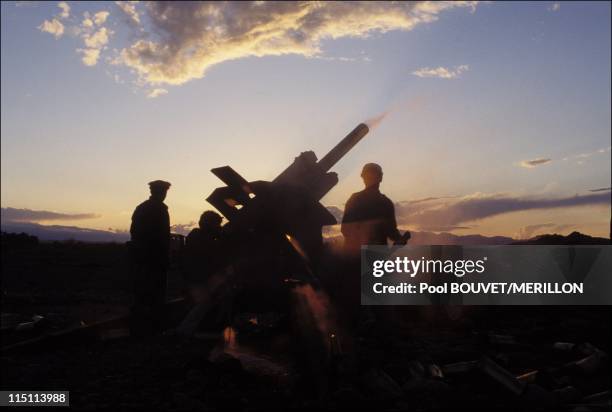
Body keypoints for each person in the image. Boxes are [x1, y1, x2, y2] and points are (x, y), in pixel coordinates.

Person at [129, 179, 171, 335]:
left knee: (141, 291)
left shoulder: (141, 208)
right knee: (155, 292)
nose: (164, 194)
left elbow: (134, 232)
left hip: (142, 257)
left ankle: (138, 325)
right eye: (163, 191)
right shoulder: (159, 209)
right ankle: (153, 327)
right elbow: (161, 237)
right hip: (154, 257)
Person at [341, 163, 408, 253]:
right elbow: (392, 233)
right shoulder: (385, 203)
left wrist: (399, 239)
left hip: (357, 258)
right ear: (381, 178)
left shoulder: (356, 199)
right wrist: (399, 239)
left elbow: (345, 229)